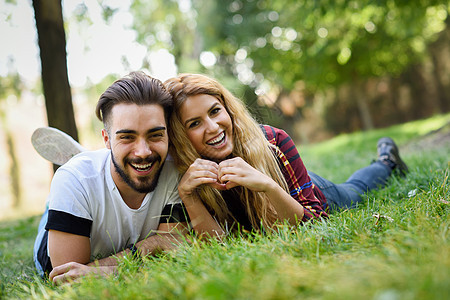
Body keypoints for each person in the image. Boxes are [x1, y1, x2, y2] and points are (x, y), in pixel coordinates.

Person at [163, 73, 408, 236]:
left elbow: (315, 223)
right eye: (194, 123)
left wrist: (267, 186)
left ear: (227, 109)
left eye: (215, 111)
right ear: (181, 135)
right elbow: (214, 248)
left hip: (307, 193)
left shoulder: (272, 141)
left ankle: (387, 161)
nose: (213, 127)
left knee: (355, 190)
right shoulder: (186, 174)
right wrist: (189, 195)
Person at [33, 71, 188, 284]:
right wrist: (152, 245)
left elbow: (172, 244)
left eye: (155, 135)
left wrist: (104, 271)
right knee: (70, 183)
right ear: (106, 138)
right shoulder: (74, 179)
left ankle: (100, 159)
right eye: (127, 137)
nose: (143, 151)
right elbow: (67, 277)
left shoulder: (175, 173)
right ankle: (59, 199)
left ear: (168, 134)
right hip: (74, 190)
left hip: (92, 180)